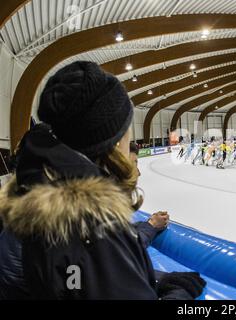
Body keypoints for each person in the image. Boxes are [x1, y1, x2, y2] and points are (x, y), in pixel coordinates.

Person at [0, 61, 205, 300]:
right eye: (126, 130)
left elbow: (85, 274)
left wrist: (148, 230)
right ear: (113, 143)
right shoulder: (89, 230)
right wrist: (181, 292)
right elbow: (95, 257)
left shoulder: (35, 195)